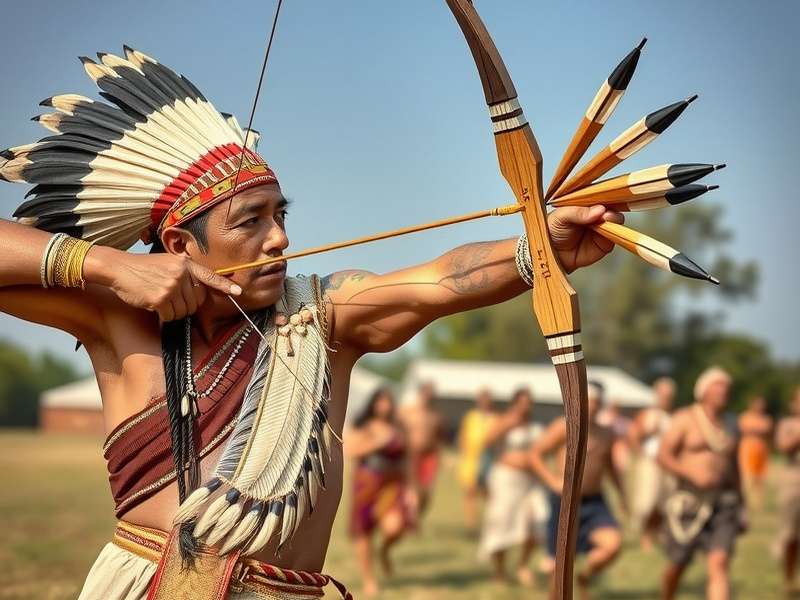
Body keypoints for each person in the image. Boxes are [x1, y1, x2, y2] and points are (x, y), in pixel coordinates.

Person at [0, 47, 623, 599]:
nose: (280, 239)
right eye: (249, 221)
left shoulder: (319, 317)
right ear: (180, 244)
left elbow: (438, 280)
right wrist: (106, 266)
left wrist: (538, 249)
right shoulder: (121, 320)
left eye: (280, 214)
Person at [530, 381, 627, 600]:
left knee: (613, 545)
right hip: (565, 502)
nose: (592, 406)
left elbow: (609, 466)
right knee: (560, 569)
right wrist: (552, 480)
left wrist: (622, 495)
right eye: (589, 401)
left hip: (594, 502)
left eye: (597, 402)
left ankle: (585, 575)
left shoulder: (606, 433)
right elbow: (534, 454)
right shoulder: (564, 426)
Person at [657, 367, 745, 600]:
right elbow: (663, 455)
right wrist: (690, 473)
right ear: (703, 390)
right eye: (718, 385)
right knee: (678, 564)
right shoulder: (685, 418)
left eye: (726, 386)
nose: (724, 391)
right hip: (689, 502)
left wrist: (742, 506)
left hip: (723, 501)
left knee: (719, 562)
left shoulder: (732, 424)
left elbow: (735, 467)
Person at [346, 387, 415, 597]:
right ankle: (369, 580)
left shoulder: (398, 427)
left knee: (395, 527)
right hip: (367, 483)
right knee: (364, 533)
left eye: (388, 402)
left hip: (393, 485)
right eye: (380, 402)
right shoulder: (364, 426)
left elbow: (407, 459)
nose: (384, 406)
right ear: (373, 404)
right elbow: (351, 450)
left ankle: (384, 551)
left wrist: (411, 489)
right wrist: (376, 443)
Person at [478, 388, 547, 587]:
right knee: (502, 523)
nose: (526, 406)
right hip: (507, 479)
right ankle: (499, 571)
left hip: (531, 481)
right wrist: (508, 424)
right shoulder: (505, 421)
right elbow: (487, 441)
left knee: (537, 521)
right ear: (514, 402)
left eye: (529, 402)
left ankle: (522, 565)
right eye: (522, 402)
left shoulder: (535, 426)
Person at [629, 376, 676, 550]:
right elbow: (633, 436)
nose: (666, 398)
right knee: (648, 501)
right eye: (663, 394)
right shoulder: (647, 415)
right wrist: (643, 452)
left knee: (665, 502)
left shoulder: (673, 417)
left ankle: (658, 533)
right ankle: (646, 535)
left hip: (668, 465)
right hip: (650, 463)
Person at [399, 381, 445, 523]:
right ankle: (410, 519)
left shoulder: (436, 416)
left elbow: (439, 439)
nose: (429, 397)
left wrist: (439, 458)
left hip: (429, 456)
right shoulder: (406, 412)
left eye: (431, 394)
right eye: (426, 393)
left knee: (426, 492)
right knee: (411, 488)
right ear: (421, 393)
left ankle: (417, 516)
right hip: (410, 454)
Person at [456, 387, 495, 531]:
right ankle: (471, 524)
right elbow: (463, 437)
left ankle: (490, 523)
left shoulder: (495, 417)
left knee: (488, 494)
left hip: (489, 461)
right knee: (470, 493)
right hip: (471, 461)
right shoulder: (470, 417)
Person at [775, 387, 800, 593]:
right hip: (794, 480)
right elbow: (783, 447)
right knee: (791, 534)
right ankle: (788, 579)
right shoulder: (787, 424)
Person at [738, 395, 773, 510]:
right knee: (748, 477)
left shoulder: (766, 419)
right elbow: (744, 428)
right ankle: (745, 502)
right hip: (748, 449)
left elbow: (767, 429)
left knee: (760, 478)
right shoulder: (745, 417)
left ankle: (758, 505)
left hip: (761, 450)